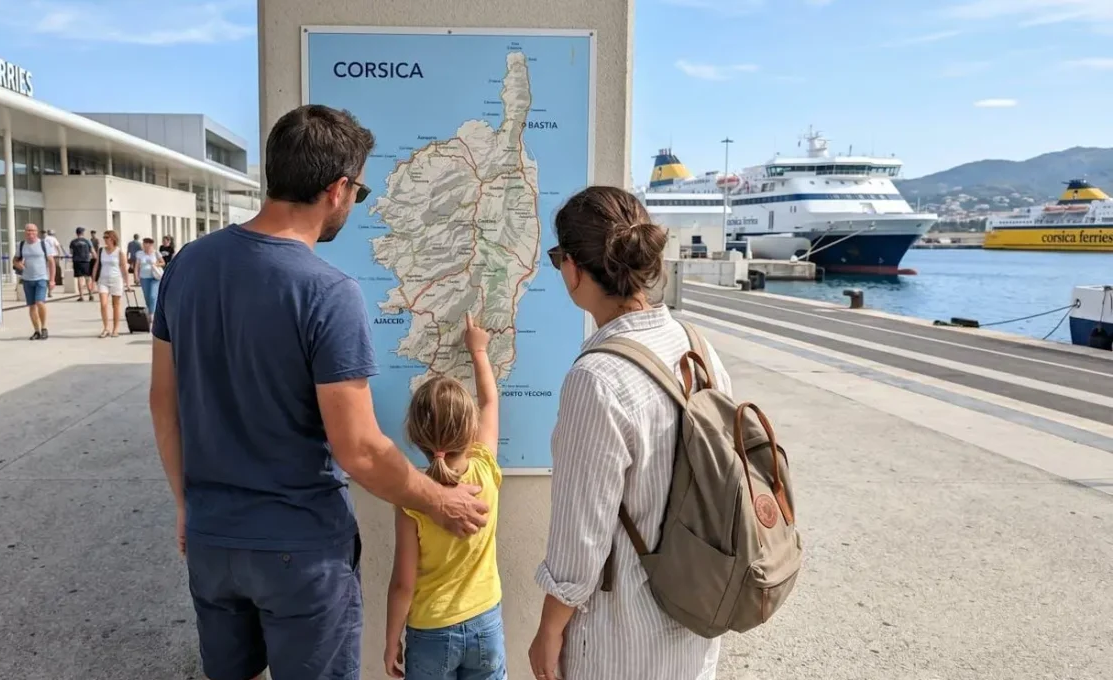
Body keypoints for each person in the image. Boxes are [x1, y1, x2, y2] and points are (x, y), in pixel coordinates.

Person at [148, 104, 488, 680]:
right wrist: (440, 500)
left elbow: (164, 400)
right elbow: (358, 449)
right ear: (338, 189)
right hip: (300, 551)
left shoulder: (187, 267)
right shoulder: (327, 293)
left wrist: (188, 505)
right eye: (358, 188)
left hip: (212, 539)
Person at [528, 186, 733, 680]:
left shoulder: (596, 379)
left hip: (621, 638)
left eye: (558, 257)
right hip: (698, 614)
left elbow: (582, 537)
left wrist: (548, 630)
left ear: (574, 269)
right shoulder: (696, 346)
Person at [384, 314, 504, 680]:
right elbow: (490, 403)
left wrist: (391, 641)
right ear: (469, 431)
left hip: (431, 632)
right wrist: (478, 350)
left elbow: (404, 583)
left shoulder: (412, 500)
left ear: (415, 435)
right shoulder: (485, 470)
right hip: (486, 622)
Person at [12, 223, 56, 341]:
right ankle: (36, 330)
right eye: (28, 231)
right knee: (31, 306)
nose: (30, 233)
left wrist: (52, 280)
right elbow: (15, 259)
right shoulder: (21, 245)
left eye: (32, 231)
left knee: (40, 302)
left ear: (36, 232)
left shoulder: (43, 244)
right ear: (25, 232)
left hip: (41, 278)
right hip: (27, 279)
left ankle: (44, 328)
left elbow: (51, 262)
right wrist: (18, 264)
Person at [92, 229, 128, 338]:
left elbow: (123, 268)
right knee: (103, 304)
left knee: (115, 305)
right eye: (104, 237)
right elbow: (97, 265)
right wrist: (93, 281)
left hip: (116, 280)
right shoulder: (101, 250)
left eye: (106, 237)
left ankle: (115, 329)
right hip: (103, 280)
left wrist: (128, 283)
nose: (105, 239)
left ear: (112, 239)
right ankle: (106, 328)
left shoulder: (119, 252)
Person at [134, 237, 164, 315]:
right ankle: (152, 310)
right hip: (144, 278)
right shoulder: (139, 253)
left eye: (147, 244)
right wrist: (136, 276)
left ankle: (152, 315)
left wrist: (155, 264)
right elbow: (137, 266)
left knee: (153, 296)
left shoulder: (156, 252)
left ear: (151, 245)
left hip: (155, 277)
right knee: (147, 297)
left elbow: (163, 263)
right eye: (144, 243)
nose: (145, 245)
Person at [68, 227, 96, 302]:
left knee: (79, 278)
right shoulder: (87, 241)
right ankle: (90, 295)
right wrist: (96, 258)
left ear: (77, 233)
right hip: (86, 261)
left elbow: (71, 252)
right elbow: (92, 251)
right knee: (87, 278)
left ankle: (81, 296)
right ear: (83, 233)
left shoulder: (73, 242)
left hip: (77, 261)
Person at [43, 229, 64, 297]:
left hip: (46, 256)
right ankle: (51, 290)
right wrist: (60, 254)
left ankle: (47, 291)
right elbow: (57, 246)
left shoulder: (45, 239)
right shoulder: (54, 239)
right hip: (54, 256)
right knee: (53, 272)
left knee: (47, 273)